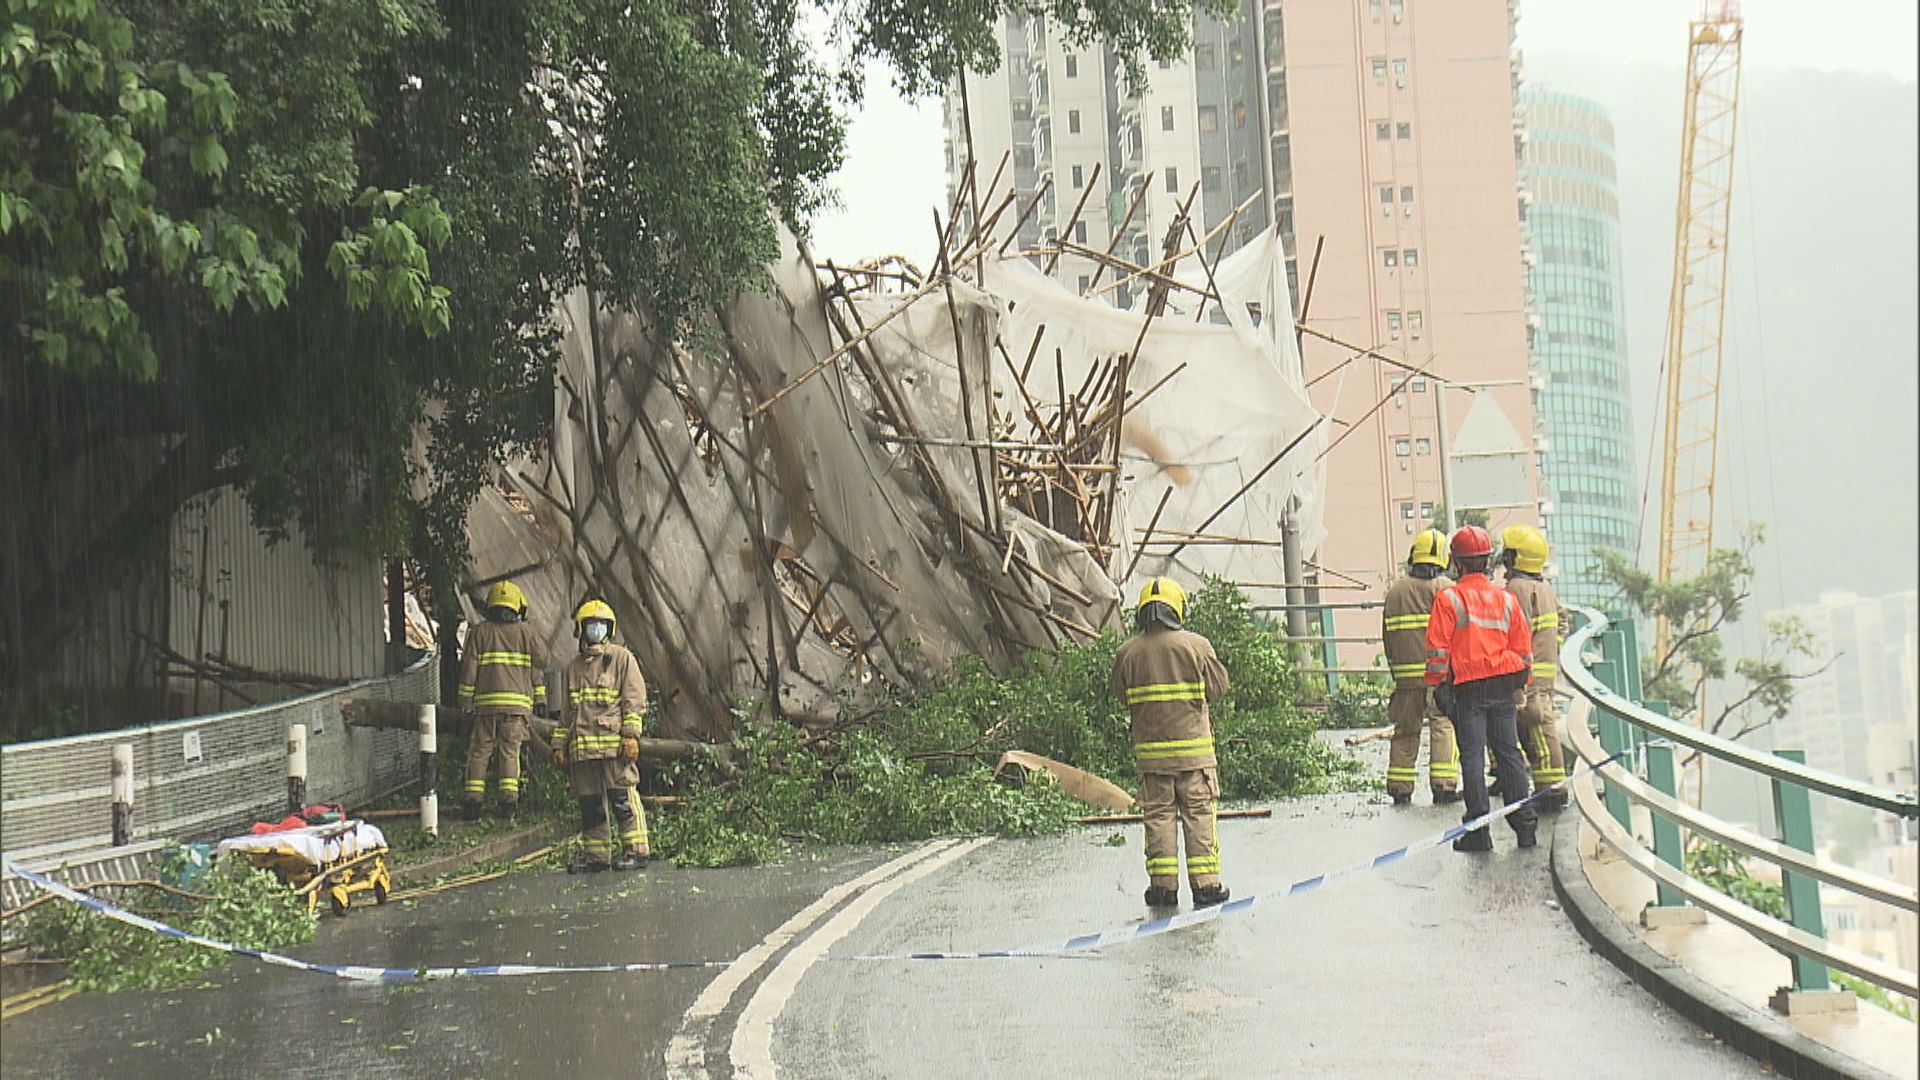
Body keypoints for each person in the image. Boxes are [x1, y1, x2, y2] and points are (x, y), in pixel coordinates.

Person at [1112, 577, 1232, 909]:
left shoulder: (1127, 653)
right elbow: (1219, 688)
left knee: (1159, 818)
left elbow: (1122, 696)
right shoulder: (1197, 646)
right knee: (1198, 816)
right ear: (1177, 609)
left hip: (1152, 760)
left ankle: (1163, 888)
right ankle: (1206, 886)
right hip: (1195, 758)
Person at [1424, 527, 1538, 852]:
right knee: (1509, 754)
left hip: (1468, 688)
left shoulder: (1449, 599)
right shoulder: (1506, 599)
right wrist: (1519, 682)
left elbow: (1437, 652)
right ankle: (1525, 825)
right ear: (1488, 562)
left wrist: (1437, 687)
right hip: (1503, 683)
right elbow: (1524, 650)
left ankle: (1478, 830)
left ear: (1456, 563)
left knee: (1472, 757)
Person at [553, 599, 650, 873]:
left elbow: (634, 699)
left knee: (623, 800)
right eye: (591, 625)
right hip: (583, 753)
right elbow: (567, 714)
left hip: (613, 750)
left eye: (601, 625)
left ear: (610, 628)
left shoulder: (621, 659)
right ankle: (596, 857)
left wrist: (631, 736)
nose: (596, 630)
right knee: (590, 805)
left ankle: (637, 851)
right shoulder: (573, 668)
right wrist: (559, 745)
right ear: (580, 629)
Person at [1381, 530, 1462, 806]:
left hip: (1406, 679)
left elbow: (1388, 637)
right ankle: (1443, 786)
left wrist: (1397, 670)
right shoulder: (1447, 589)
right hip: (1438, 675)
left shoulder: (1395, 592)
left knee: (1405, 729)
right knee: (1443, 725)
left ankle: (1400, 787)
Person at [457, 581, 549, 821]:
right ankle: (508, 804)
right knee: (510, 753)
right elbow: (542, 662)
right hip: (516, 709)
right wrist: (540, 698)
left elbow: (469, 670)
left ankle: (472, 804)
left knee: (479, 752)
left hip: (485, 707)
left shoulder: (479, 632)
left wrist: (465, 701)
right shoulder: (526, 633)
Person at [1499, 524, 1568, 811]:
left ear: (1516, 557)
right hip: (1543, 674)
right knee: (1537, 729)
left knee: (1537, 728)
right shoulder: (1545, 589)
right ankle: (1549, 788)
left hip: (1526, 678)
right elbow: (1561, 624)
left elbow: (1511, 632)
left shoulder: (1516, 590)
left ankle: (1552, 792)